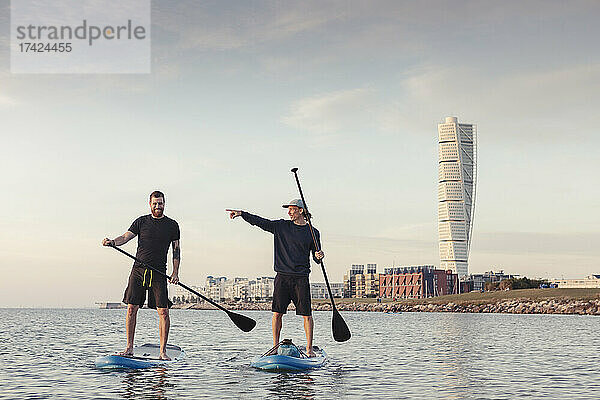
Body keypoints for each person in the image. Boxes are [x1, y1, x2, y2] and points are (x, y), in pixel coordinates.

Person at [226, 199, 324, 357]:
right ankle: (275, 346)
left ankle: (309, 348)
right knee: (277, 313)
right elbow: (260, 222)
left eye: (292, 209)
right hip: (282, 277)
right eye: (289, 210)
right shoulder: (281, 226)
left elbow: (317, 257)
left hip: (301, 278)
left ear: (301, 211)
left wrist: (319, 255)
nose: (289, 212)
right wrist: (242, 214)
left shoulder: (313, 232)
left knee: (307, 315)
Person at [102, 191, 180, 360]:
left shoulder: (172, 225)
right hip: (138, 270)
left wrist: (175, 272)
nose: (158, 206)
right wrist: (112, 242)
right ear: (150, 204)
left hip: (159, 272)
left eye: (161, 203)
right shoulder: (141, 222)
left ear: (164, 204)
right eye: (155, 203)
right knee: (131, 309)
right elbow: (125, 237)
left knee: (164, 312)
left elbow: (176, 250)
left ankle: (162, 352)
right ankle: (129, 348)